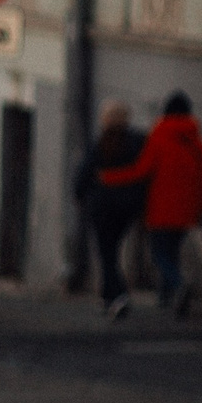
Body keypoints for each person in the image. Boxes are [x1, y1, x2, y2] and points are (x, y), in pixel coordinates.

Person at [102, 89, 202, 318]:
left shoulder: (159, 136)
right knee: (171, 251)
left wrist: (109, 178)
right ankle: (166, 297)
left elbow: (141, 171)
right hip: (188, 210)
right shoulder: (196, 141)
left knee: (160, 254)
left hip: (161, 209)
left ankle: (178, 285)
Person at [75, 99, 147, 318]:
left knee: (107, 254)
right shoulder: (136, 143)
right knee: (112, 252)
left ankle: (117, 296)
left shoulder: (101, 143)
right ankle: (110, 296)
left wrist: (80, 197)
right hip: (127, 208)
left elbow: (83, 175)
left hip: (102, 208)